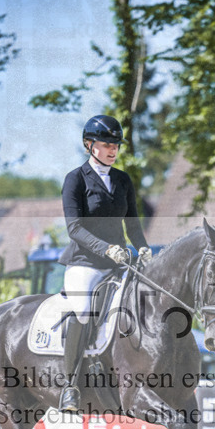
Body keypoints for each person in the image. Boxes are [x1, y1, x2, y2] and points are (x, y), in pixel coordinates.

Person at [58, 114, 152, 413]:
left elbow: (133, 225)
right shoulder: (76, 179)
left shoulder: (123, 180)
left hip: (118, 264)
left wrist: (144, 248)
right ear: (89, 144)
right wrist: (107, 249)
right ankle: (70, 386)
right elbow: (74, 228)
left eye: (116, 145)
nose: (113, 149)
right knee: (84, 310)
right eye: (107, 144)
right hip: (85, 262)